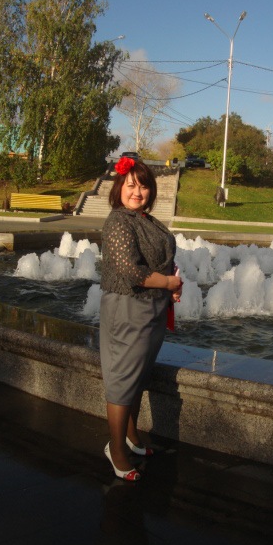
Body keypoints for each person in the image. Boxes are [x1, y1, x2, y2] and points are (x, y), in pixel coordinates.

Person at [100, 156, 183, 481]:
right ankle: (116, 449)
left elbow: (161, 262)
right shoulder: (119, 221)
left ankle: (131, 436)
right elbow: (130, 271)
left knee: (138, 376)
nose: (137, 192)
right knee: (123, 380)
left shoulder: (146, 219)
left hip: (151, 309)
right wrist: (168, 282)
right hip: (128, 308)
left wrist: (171, 285)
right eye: (131, 185)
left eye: (144, 186)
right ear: (119, 187)